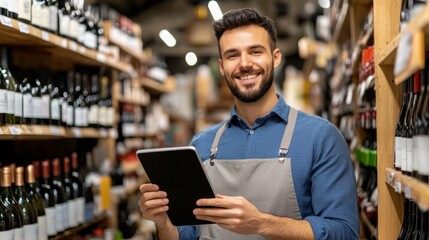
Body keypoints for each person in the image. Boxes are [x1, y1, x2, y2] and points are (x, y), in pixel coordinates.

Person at [138, 7, 359, 240]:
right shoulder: (201, 146)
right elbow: (187, 235)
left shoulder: (321, 138)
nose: (244, 64)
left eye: (255, 51)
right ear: (222, 67)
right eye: (233, 55)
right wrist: (163, 223)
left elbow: (344, 232)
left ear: (275, 58)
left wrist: (261, 224)